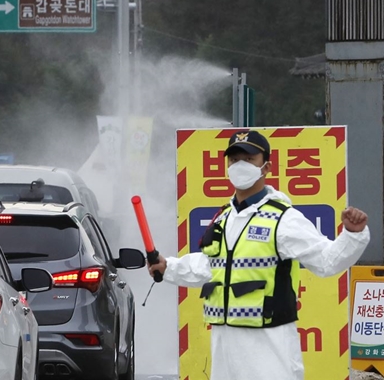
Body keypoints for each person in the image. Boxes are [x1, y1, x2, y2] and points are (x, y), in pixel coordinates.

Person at [148, 130, 370, 380]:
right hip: (225, 343)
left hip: (268, 345)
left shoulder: (283, 219)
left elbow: (326, 261)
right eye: (233, 160)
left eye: (248, 159)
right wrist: (169, 267)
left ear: (266, 167)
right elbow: (211, 265)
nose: (239, 165)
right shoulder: (224, 217)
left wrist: (353, 235)